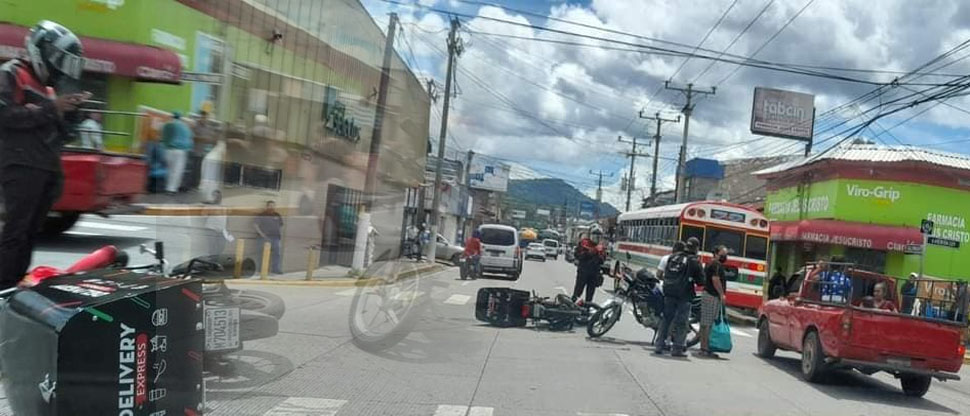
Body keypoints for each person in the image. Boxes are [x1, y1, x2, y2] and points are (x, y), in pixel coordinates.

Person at [0, 20, 87, 290]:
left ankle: (12, 286)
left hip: (44, 168)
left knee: (28, 234)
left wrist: (72, 112)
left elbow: (59, 133)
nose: (60, 66)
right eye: (58, 58)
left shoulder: (48, 89)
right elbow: (5, 116)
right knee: (16, 232)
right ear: (42, 51)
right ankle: (3, 287)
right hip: (20, 164)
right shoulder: (12, 73)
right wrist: (52, 107)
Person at [654, 237, 704, 357]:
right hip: (684, 295)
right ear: (696, 248)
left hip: (669, 292)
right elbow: (701, 281)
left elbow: (664, 274)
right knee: (682, 322)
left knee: (666, 319)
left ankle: (659, 345)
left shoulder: (673, 257)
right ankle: (677, 348)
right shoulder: (694, 261)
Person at [698, 245, 729, 358]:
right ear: (716, 254)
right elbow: (715, 279)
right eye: (723, 254)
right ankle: (705, 348)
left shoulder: (710, 263)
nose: (725, 257)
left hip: (708, 295)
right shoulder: (716, 264)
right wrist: (722, 294)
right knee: (708, 323)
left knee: (706, 323)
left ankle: (705, 347)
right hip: (711, 295)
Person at [161, 111, 194, 194]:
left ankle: (166, 187)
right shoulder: (184, 127)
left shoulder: (166, 125)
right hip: (180, 151)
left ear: (173, 116)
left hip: (167, 150)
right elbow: (189, 139)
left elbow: (163, 137)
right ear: (180, 117)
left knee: (169, 169)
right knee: (177, 170)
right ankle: (171, 189)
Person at [572, 235, 605, 303]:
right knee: (578, 291)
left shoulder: (600, 247)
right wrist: (588, 253)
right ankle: (572, 305)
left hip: (594, 274)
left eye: (598, 235)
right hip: (583, 272)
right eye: (595, 234)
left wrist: (598, 255)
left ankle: (587, 309)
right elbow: (577, 255)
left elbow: (603, 259)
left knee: (590, 295)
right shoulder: (584, 243)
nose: (596, 238)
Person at [254, 200, 284, 275]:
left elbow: (280, 225)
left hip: (276, 238)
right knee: (263, 254)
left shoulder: (277, 215)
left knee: (277, 254)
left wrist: (278, 234)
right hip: (264, 238)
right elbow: (255, 225)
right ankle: (261, 269)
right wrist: (262, 234)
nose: (272, 207)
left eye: (273, 206)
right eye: (270, 205)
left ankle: (275, 269)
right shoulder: (261, 215)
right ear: (267, 206)